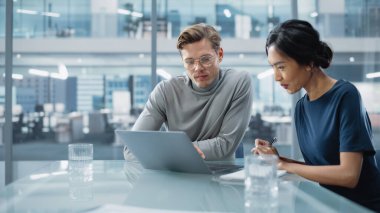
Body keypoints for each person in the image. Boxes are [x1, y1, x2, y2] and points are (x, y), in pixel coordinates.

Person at [254, 19, 380, 212]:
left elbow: (348, 175)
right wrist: (279, 160)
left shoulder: (346, 95)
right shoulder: (301, 108)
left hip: (361, 208)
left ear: (309, 62)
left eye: (281, 67)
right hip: (328, 205)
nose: (277, 77)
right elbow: (322, 167)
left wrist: (284, 166)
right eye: (272, 67)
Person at [125, 23, 253, 161]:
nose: (197, 68)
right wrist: (185, 152)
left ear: (220, 55)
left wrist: (172, 152)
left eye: (205, 59)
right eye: (190, 62)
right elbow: (132, 150)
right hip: (177, 176)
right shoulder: (165, 91)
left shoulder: (238, 82)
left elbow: (225, 145)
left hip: (221, 176)